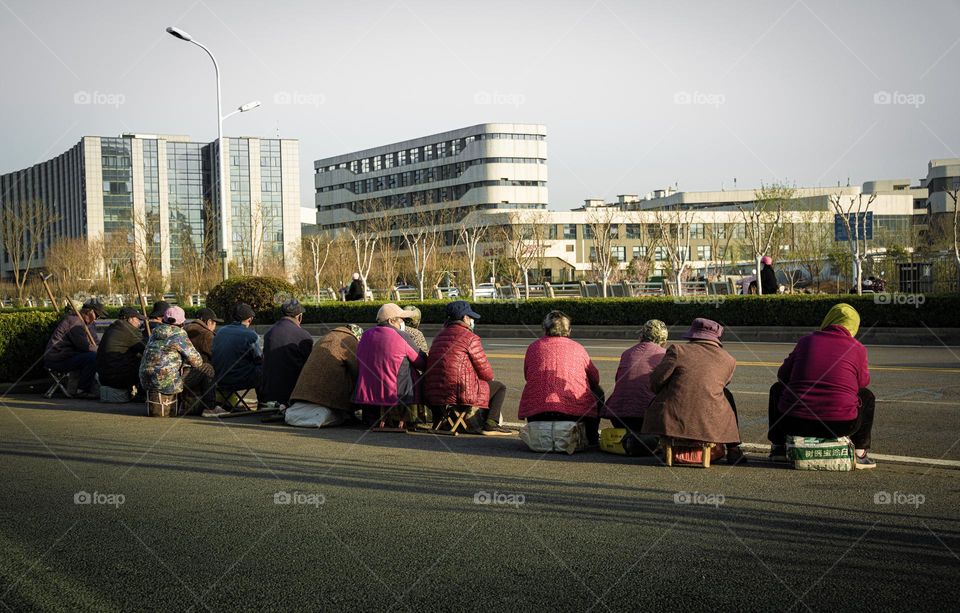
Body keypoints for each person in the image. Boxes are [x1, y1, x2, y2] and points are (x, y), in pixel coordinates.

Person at [767, 303, 876, 469]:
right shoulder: (858, 348)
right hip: (841, 425)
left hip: (794, 422)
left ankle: (779, 448)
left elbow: (782, 376)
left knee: (777, 389)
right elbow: (863, 383)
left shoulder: (806, 341)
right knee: (866, 395)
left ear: (828, 320)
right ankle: (860, 452)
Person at [641, 318, 746, 464]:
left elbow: (655, 382)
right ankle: (733, 448)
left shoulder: (678, 350)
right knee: (726, 395)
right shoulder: (729, 360)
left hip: (672, 421)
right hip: (711, 424)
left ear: (693, 334)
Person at [424, 300, 512, 436]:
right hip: (459, 392)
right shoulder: (470, 337)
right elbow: (486, 373)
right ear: (465, 318)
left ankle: (443, 421)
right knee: (499, 387)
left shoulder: (438, 337)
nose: (472, 321)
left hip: (434, 393)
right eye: (471, 317)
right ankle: (491, 424)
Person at [518, 311, 604, 445]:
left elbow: (527, 376)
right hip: (573, 414)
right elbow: (595, 378)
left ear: (544, 328)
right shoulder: (578, 348)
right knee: (598, 392)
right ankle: (592, 437)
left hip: (537, 414)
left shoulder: (533, 347)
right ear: (569, 330)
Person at [353, 303, 427, 427]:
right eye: (401, 319)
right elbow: (420, 362)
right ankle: (409, 419)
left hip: (367, 392)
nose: (403, 322)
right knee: (412, 371)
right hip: (396, 392)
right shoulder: (402, 336)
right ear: (391, 321)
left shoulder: (365, 335)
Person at [287, 324, 364, 426]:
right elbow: (356, 370)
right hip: (326, 398)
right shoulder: (350, 340)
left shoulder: (324, 338)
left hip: (302, 393)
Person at [603, 319, 669, 433]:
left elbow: (618, 379)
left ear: (641, 335)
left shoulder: (627, 353)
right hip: (646, 417)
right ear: (664, 341)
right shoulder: (665, 355)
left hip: (618, 416)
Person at [139, 306, 203, 404]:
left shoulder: (155, 332)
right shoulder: (179, 334)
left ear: (163, 319)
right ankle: (206, 407)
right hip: (166, 383)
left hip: (146, 381)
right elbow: (197, 361)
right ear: (182, 323)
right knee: (206, 369)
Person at [44, 300, 106, 398]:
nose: (96, 319)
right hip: (57, 358)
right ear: (89, 312)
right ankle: (82, 390)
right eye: (97, 316)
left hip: (70, 355)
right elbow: (83, 346)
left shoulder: (90, 324)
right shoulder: (74, 321)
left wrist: (104, 350)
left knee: (96, 355)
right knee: (92, 358)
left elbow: (96, 342)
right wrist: (100, 351)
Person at [259, 300, 314, 407]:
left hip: (269, 390)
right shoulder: (304, 335)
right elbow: (308, 366)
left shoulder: (269, 332)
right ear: (299, 317)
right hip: (292, 392)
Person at [212, 303, 263, 394]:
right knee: (264, 367)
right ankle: (264, 400)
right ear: (250, 319)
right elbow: (259, 359)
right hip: (239, 380)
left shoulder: (220, 331)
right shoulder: (251, 335)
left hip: (220, 380)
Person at [181, 308, 222, 416]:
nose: (215, 326)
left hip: (180, 374)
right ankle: (210, 407)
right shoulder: (206, 334)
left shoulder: (183, 329)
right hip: (192, 377)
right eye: (215, 323)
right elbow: (216, 355)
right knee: (209, 368)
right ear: (209, 322)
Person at [96, 306, 146, 393]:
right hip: (117, 378)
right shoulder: (130, 330)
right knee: (147, 365)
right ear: (129, 319)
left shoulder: (114, 326)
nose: (139, 322)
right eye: (137, 319)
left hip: (104, 376)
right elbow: (146, 350)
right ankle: (142, 394)